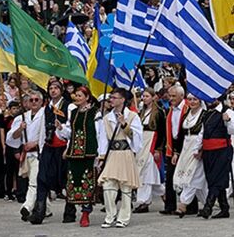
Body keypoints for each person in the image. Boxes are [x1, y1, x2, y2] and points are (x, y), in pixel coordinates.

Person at [97, 89, 142, 228]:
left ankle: (124, 217)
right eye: (111, 98)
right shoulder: (106, 118)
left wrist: (124, 124)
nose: (111, 100)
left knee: (125, 186)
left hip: (125, 153)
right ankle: (110, 215)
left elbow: (137, 137)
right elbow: (103, 139)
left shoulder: (133, 116)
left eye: (115, 98)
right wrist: (102, 156)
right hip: (112, 154)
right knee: (108, 185)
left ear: (122, 100)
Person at [27, 81, 70, 224]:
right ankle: (39, 211)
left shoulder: (68, 106)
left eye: (56, 88)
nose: (53, 91)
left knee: (65, 179)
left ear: (61, 90)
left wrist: (62, 130)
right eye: (51, 88)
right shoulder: (46, 108)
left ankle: (70, 211)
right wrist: (40, 147)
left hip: (63, 147)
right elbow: (43, 129)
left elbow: (72, 130)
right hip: (48, 147)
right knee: (42, 178)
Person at [6, 90, 48, 222]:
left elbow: (47, 135)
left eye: (37, 100)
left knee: (34, 182)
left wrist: (35, 143)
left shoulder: (45, 115)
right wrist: (20, 129)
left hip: (39, 153)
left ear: (41, 102)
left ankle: (27, 206)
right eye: (31, 100)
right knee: (36, 181)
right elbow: (12, 137)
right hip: (26, 154)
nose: (34, 102)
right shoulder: (22, 117)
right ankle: (46, 208)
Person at [61, 87, 100, 227]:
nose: (77, 98)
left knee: (87, 181)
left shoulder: (95, 112)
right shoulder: (73, 112)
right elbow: (70, 133)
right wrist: (60, 129)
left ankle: (86, 212)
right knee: (74, 182)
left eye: (79, 95)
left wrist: (99, 152)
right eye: (76, 95)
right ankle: (78, 209)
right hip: (74, 153)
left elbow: (98, 132)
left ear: (87, 97)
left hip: (88, 152)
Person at [198, 99, 234, 219]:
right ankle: (224, 207)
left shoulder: (227, 111)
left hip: (221, 150)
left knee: (217, 177)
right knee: (213, 178)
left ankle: (208, 206)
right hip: (208, 150)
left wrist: (229, 120)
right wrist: (198, 148)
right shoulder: (206, 113)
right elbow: (202, 132)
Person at [172, 93, 207, 218]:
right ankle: (209, 202)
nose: (192, 102)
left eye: (195, 99)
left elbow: (205, 134)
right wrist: (176, 152)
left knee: (193, 176)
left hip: (197, 148)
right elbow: (181, 135)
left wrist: (201, 149)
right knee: (198, 179)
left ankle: (183, 204)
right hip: (186, 148)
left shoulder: (204, 115)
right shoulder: (187, 115)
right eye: (190, 99)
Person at [133, 88, 166, 213]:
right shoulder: (141, 112)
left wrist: (158, 149)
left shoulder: (159, 112)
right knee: (145, 172)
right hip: (142, 142)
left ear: (153, 97)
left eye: (147, 96)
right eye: (143, 96)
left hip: (152, 142)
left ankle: (144, 201)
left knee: (147, 171)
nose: (144, 98)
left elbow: (162, 132)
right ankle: (163, 193)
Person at [159, 85, 188, 216]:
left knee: (185, 177)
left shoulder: (187, 108)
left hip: (184, 145)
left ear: (182, 96)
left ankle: (188, 205)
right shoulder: (170, 110)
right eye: (170, 96)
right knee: (169, 177)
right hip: (171, 145)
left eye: (174, 96)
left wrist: (178, 150)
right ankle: (169, 205)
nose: (171, 99)